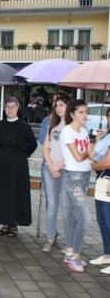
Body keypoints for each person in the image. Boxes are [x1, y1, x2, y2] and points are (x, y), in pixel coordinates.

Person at [0, 97, 37, 237]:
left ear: (17, 108)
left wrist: (21, 155)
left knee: (15, 192)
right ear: (4, 108)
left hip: (18, 164)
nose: (10, 109)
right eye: (7, 106)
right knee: (3, 192)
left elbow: (33, 144)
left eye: (13, 106)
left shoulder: (24, 126)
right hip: (2, 162)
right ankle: (5, 223)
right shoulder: (0, 125)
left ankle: (13, 224)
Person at [60, 99, 93, 273]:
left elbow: (91, 156)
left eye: (86, 111)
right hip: (74, 177)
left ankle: (70, 252)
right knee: (85, 218)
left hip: (86, 175)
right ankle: (76, 256)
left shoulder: (84, 131)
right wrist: (88, 151)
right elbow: (79, 157)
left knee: (73, 217)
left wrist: (99, 141)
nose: (85, 115)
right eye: (81, 112)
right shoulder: (68, 132)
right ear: (72, 114)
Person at [41, 94, 71, 252]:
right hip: (50, 169)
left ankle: (69, 241)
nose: (58, 108)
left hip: (66, 170)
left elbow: (72, 151)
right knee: (52, 205)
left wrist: (58, 166)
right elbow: (46, 146)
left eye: (62, 105)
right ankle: (50, 238)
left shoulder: (74, 127)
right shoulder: (52, 125)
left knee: (67, 206)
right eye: (56, 105)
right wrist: (51, 166)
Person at [90, 106, 110, 274]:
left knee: (109, 219)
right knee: (102, 219)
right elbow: (95, 154)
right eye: (109, 115)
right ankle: (107, 254)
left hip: (108, 177)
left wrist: (95, 165)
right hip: (102, 179)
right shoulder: (107, 136)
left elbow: (107, 162)